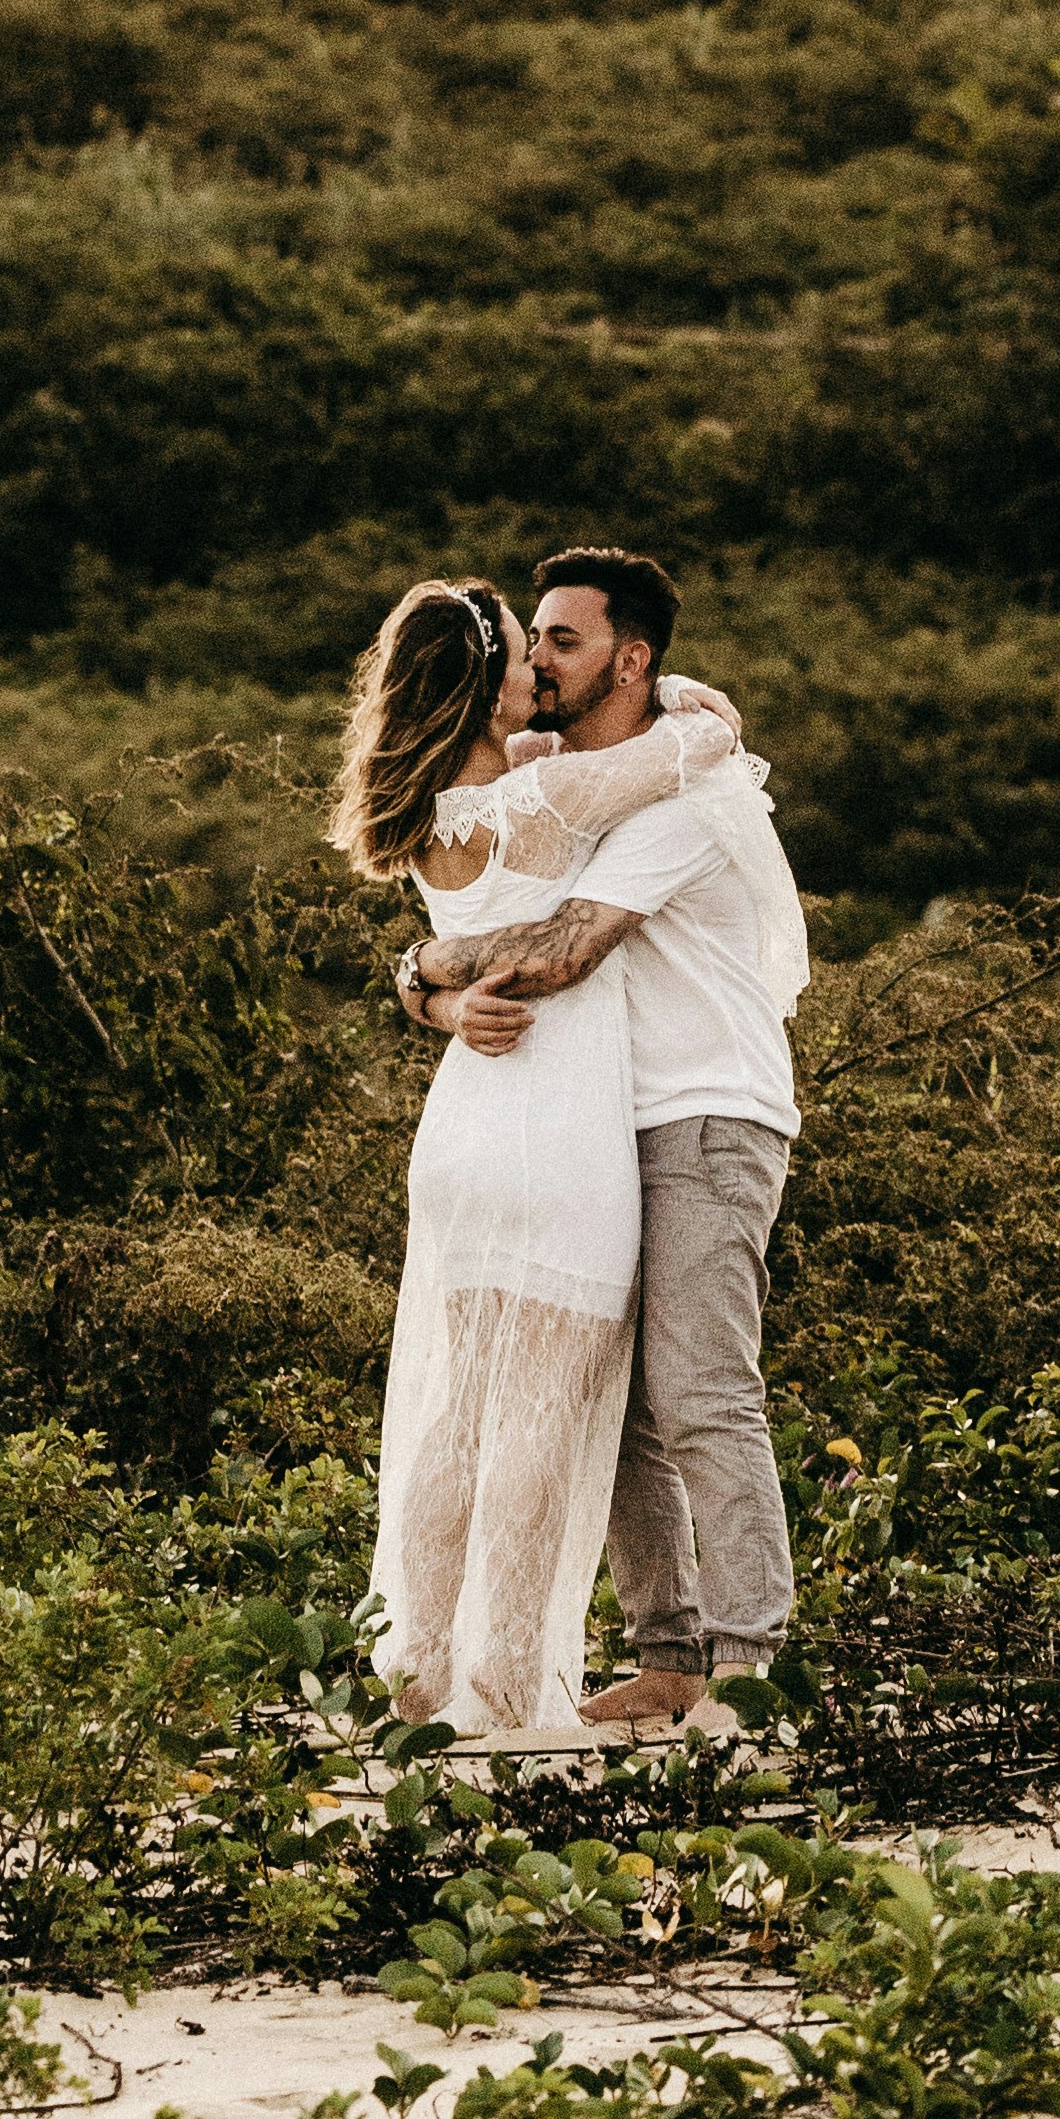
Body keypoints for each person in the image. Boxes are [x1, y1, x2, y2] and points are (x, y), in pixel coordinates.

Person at [330, 574, 751, 1743]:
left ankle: (416, 1674)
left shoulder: (435, 810)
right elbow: (681, 759)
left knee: (462, 1414)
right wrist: (703, 713)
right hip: (559, 1128)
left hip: (468, 1120)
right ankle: (509, 1685)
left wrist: (423, 980)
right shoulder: (549, 799)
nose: (539, 667)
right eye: (523, 649)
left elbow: (452, 937)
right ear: (487, 678)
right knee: (540, 1421)